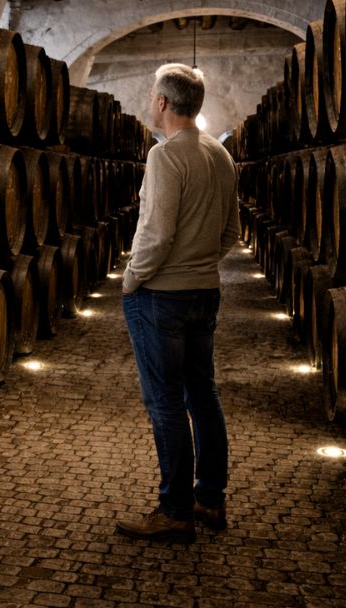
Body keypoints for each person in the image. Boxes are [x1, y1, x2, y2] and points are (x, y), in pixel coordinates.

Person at [115, 63, 240, 544]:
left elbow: (156, 234)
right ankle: (210, 498)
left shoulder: (164, 157)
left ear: (163, 102)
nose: (151, 101)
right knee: (202, 395)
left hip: (161, 296)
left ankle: (174, 510)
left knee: (165, 402)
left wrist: (131, 278)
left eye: (152, 95)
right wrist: (201, 261)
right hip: (204, 290)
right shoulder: (221, 156)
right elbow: (230, 232)